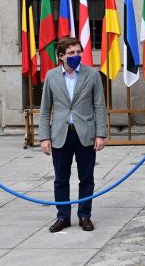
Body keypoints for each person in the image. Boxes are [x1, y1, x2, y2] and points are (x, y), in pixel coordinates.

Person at [38, 36, 107, 233]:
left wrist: (100, 134)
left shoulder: (92, 75)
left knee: (87, 178)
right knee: (61, 178)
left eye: (78, 52)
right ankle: (63, 216)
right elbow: (45, 109)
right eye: (71, 53)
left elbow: (99, 106)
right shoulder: (51, 76)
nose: (76, 55)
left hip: (85, 133)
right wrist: (44, 137)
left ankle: (85, 215)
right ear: (61, 56)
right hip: (60, 134)